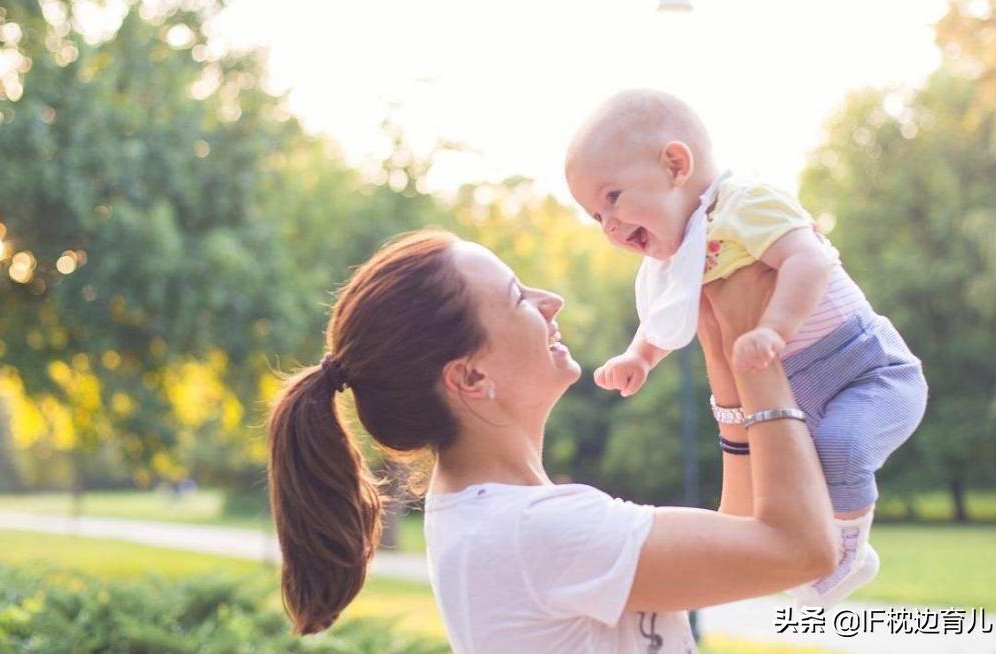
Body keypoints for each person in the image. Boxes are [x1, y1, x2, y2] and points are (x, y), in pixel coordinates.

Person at [266, 229, 840, 652]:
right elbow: (801, 550)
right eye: (518, 296)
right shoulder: (536, 531)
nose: (550, 301)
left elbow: (740, 546)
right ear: (470, 377)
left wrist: (723, 349)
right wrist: (757, 346)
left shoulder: (500, 519)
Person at [565, 88, 928, 607]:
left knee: (844, 447)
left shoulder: (745, 203)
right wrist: (640, 357)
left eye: (612, 199)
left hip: (866, 370)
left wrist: (774, 328)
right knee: (789, 481)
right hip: (801, 391)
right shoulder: (681, 251)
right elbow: (668, 315)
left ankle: (842, 553)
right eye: (595, 217)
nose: (611, 227)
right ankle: (848, 545)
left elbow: (809, 260)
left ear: (675, 165)